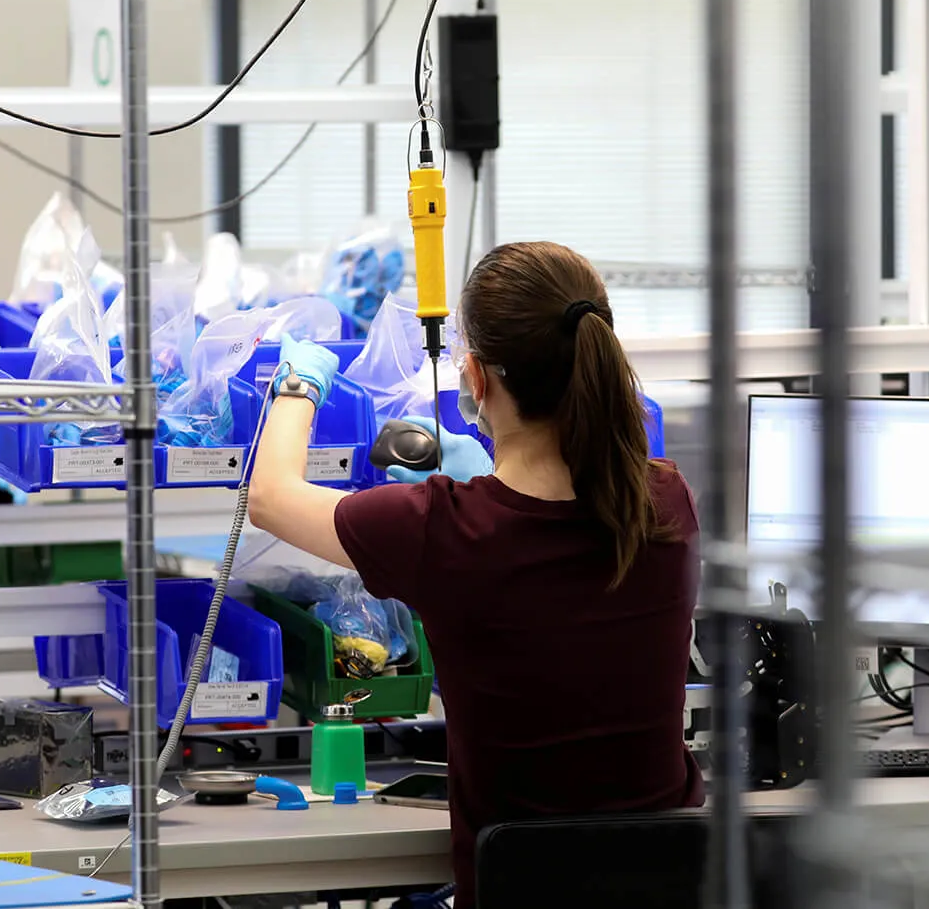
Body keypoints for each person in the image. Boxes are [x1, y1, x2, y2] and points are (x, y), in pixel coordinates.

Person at [248, 241, 704, 905]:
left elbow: (268, 496)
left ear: (477, 379)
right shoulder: (668, 502)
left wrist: (298, 381)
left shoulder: (444, 530)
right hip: (669, 884)